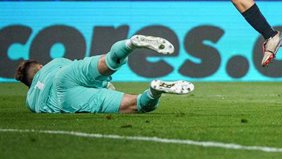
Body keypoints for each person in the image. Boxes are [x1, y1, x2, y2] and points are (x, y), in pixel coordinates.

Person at [15, 35, 193, 114]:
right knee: (107, 61)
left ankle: (155, 91)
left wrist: (105, 88)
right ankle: (130, 44)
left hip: (67, 99)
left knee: (136, 105)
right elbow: (89, 76)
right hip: (65, 74)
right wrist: (104, 83)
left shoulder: (31, 100)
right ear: (39, 68)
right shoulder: (55, 63)